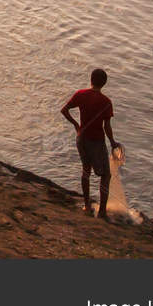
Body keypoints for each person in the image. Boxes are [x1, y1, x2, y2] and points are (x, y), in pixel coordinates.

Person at [61, 68, 121, 217]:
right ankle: (101, 212)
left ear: (91, 79)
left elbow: (64, 110)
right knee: (105, 176)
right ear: (104, 83)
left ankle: (87, 206)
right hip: (96, 141)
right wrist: (113, 142)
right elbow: (106, 127)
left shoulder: (80, 94)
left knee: (86, 171)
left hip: (81, 138)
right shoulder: (106, 102)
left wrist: (76, 125)